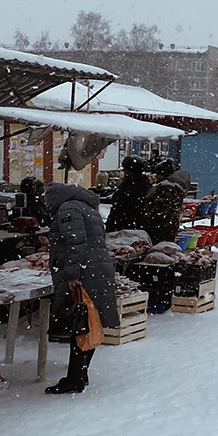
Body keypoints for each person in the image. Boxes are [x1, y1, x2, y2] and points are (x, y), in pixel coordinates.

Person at [43, 182, 118, 394]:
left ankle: (74, 379)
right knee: (88, 321)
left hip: (85, 272)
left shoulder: (68, 209)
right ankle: (80, 373)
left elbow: (76, 242)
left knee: (80, 323)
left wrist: (72, 275)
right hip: (96, 270)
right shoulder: (84, 207)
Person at [144, 159, 191, 245]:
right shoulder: (174, 186)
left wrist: (148, 219)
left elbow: (161, 211)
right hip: (170, 227)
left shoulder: (165, 188)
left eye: (157, 174)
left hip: (161, 229)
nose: (155, 176)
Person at [105, 156, 149, 233]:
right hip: (131, 228)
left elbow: (121, 206)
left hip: (126, 228)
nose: (124, 172)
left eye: (125, 170)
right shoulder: (141, 185)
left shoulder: (132, 187)